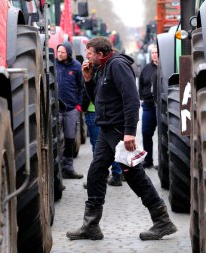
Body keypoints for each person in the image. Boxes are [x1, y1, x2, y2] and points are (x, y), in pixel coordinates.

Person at [66, 37, 177, 241]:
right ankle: (91, 226)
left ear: (100, 54)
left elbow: (132, 99)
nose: (87, 57)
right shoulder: (102, 67)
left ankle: (162, 221)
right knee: (96, 173)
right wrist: (88, 79)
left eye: (89, 53)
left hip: (118, 131)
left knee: (135, 175)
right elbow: (97, 99)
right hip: (107, 130)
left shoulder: (117, 65)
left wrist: (129, 132)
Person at [82, 93, 123, 186]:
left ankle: (99, 177)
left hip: (95, 110)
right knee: (112, 144)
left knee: (98, 146)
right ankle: (115, 175)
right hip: (107, 111)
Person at [56, 42, 84, 179]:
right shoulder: (53, 65)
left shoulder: (76, 67)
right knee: (57, 138)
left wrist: (78, 104)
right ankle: (57, 168)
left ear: (68, 53)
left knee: (70, 139)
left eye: (62, 52)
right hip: (56, 109)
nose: (59, 54)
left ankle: (68, 167)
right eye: (58, 52)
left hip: (71, 108)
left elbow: (81, 87)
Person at [138, 45, 158, 169]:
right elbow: (140, 83)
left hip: (161, 106)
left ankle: (162, 162)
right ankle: (148, 160)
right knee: (146, 133)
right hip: (148, 105)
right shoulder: (146, 68)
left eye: (156, 52)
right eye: (152, 53)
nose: (154, 55)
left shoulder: (165, 67)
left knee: (162, 134)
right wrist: (141, 96)